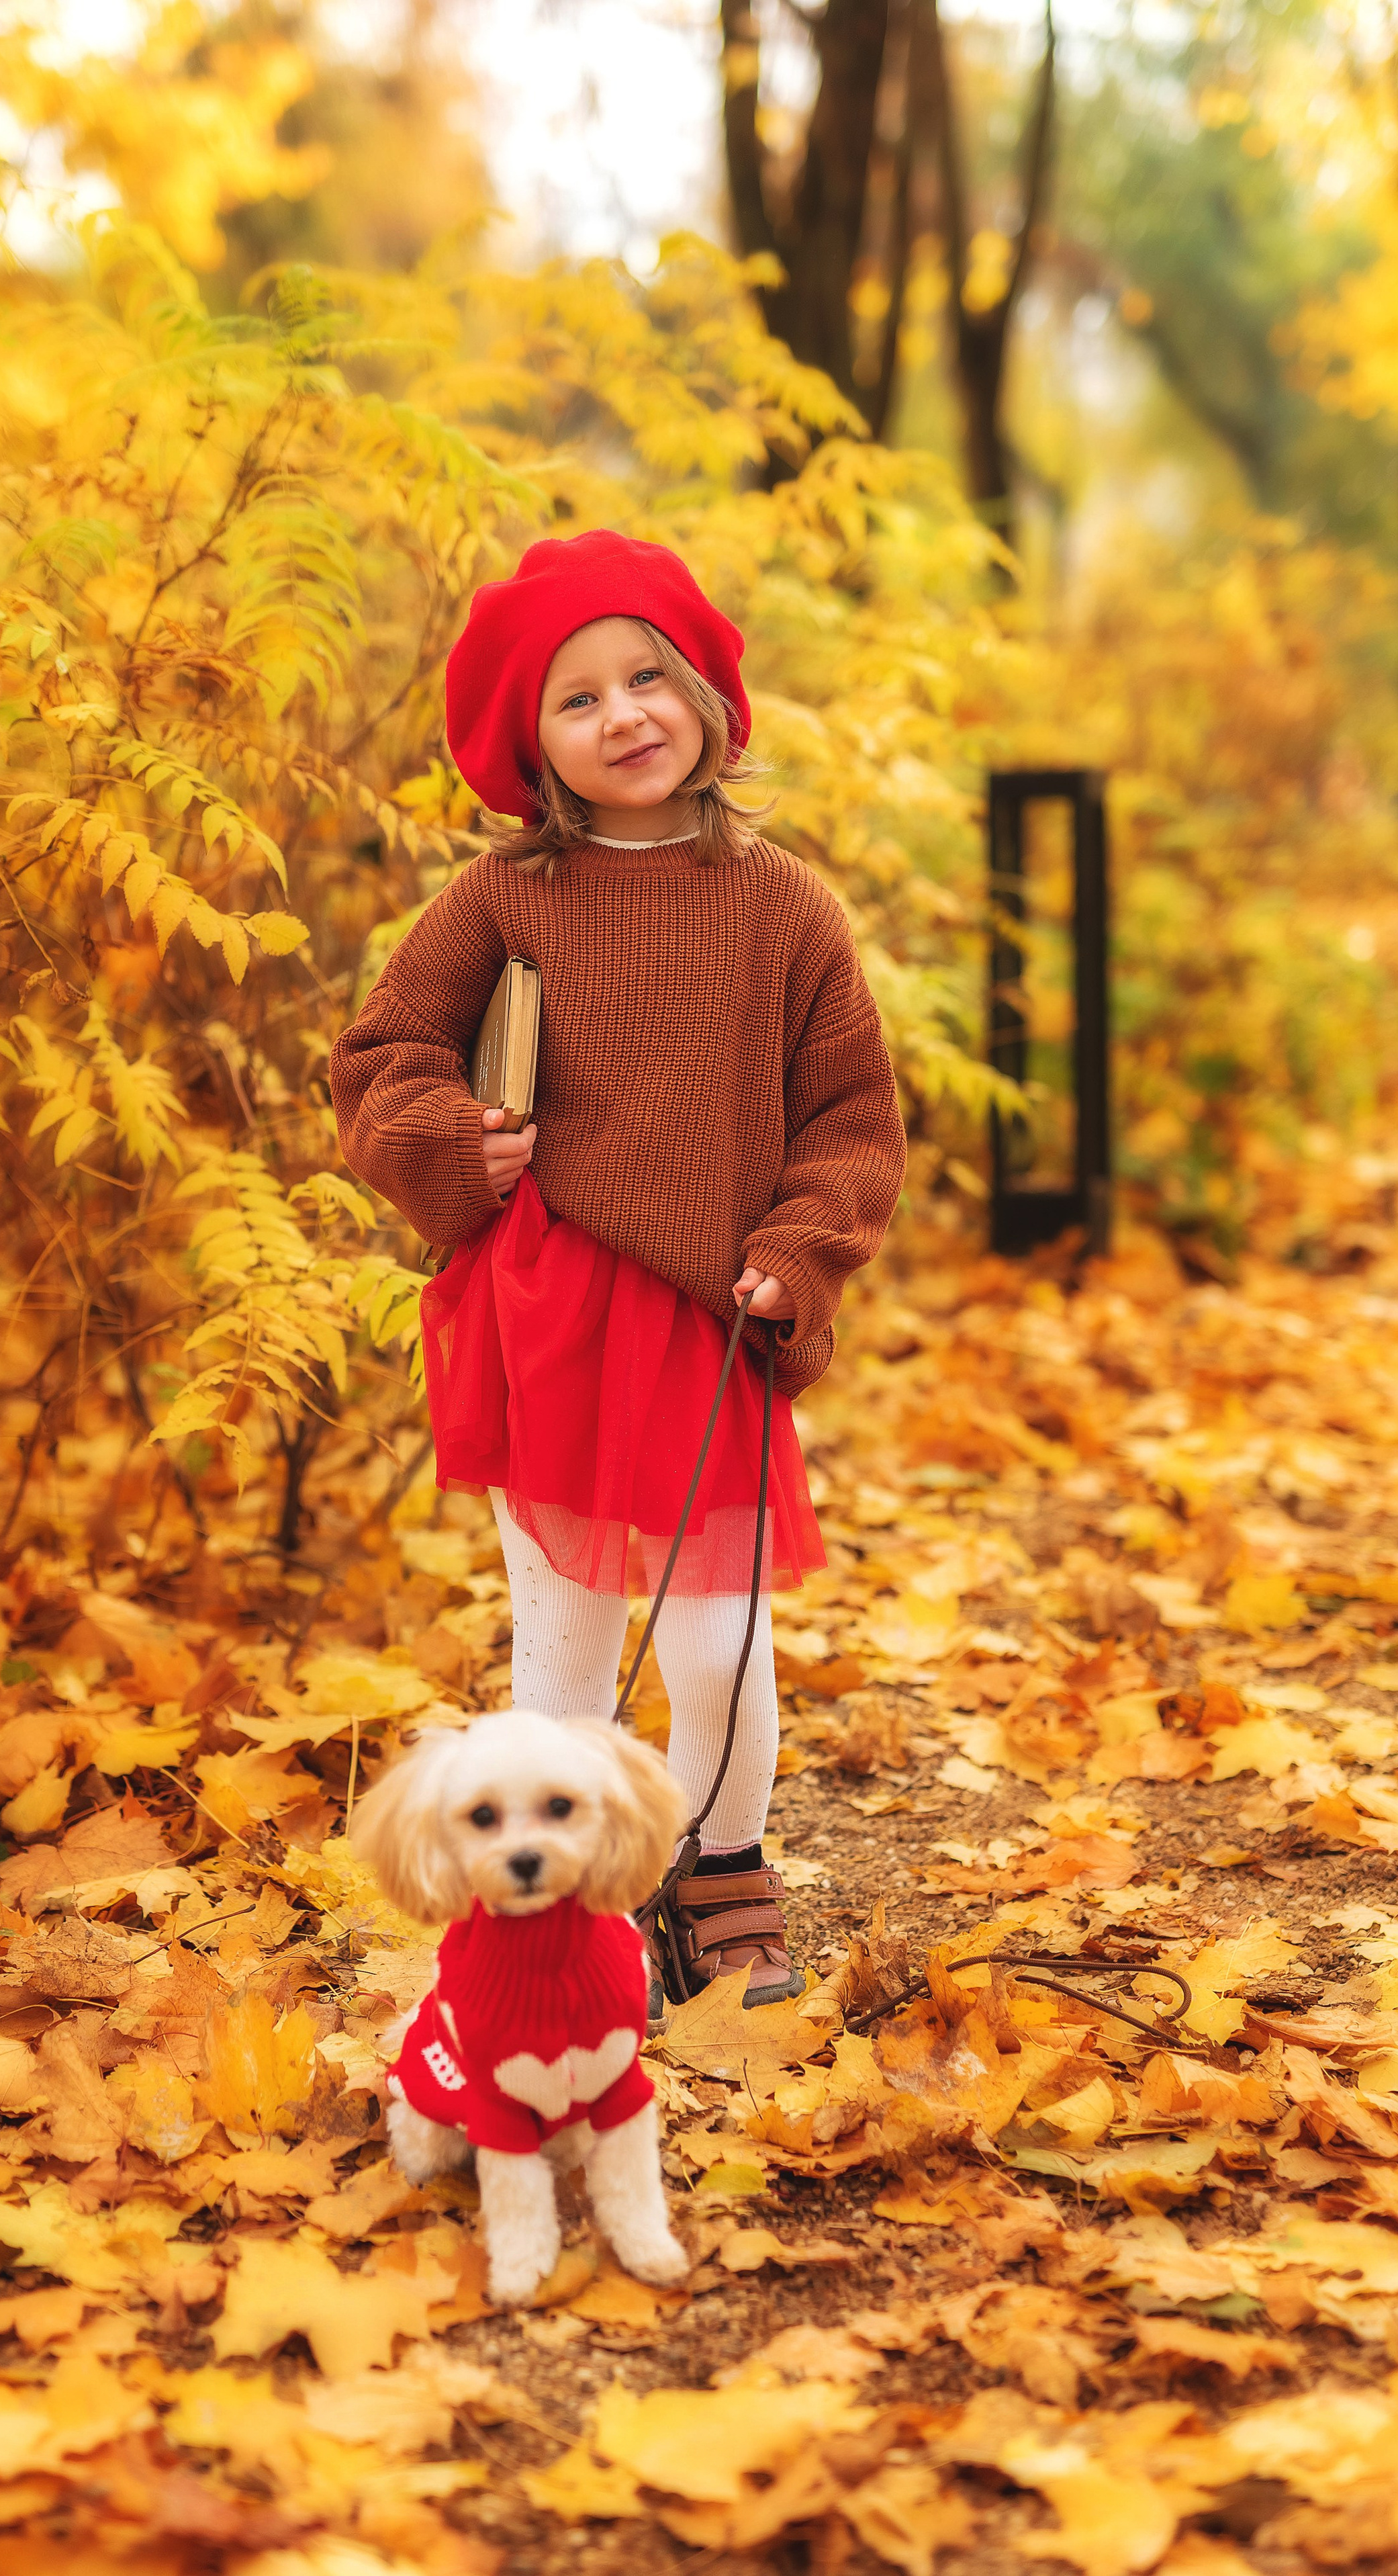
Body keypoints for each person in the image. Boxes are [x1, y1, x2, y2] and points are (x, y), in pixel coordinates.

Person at [330, 529, 906, 2009]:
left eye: (646, 676)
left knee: (715, 1641)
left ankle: (721, 1866)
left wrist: (800, 1248)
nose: (622, 715)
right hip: (551, 1309)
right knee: (566, 1639)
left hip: (712, 1322)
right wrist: (460, 1148)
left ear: (706, 695)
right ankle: (570, 1904)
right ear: (533, 749)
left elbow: (849, 1118)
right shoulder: (501, 900)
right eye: (575, 700)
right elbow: (381, 1056)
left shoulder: (784, 907)